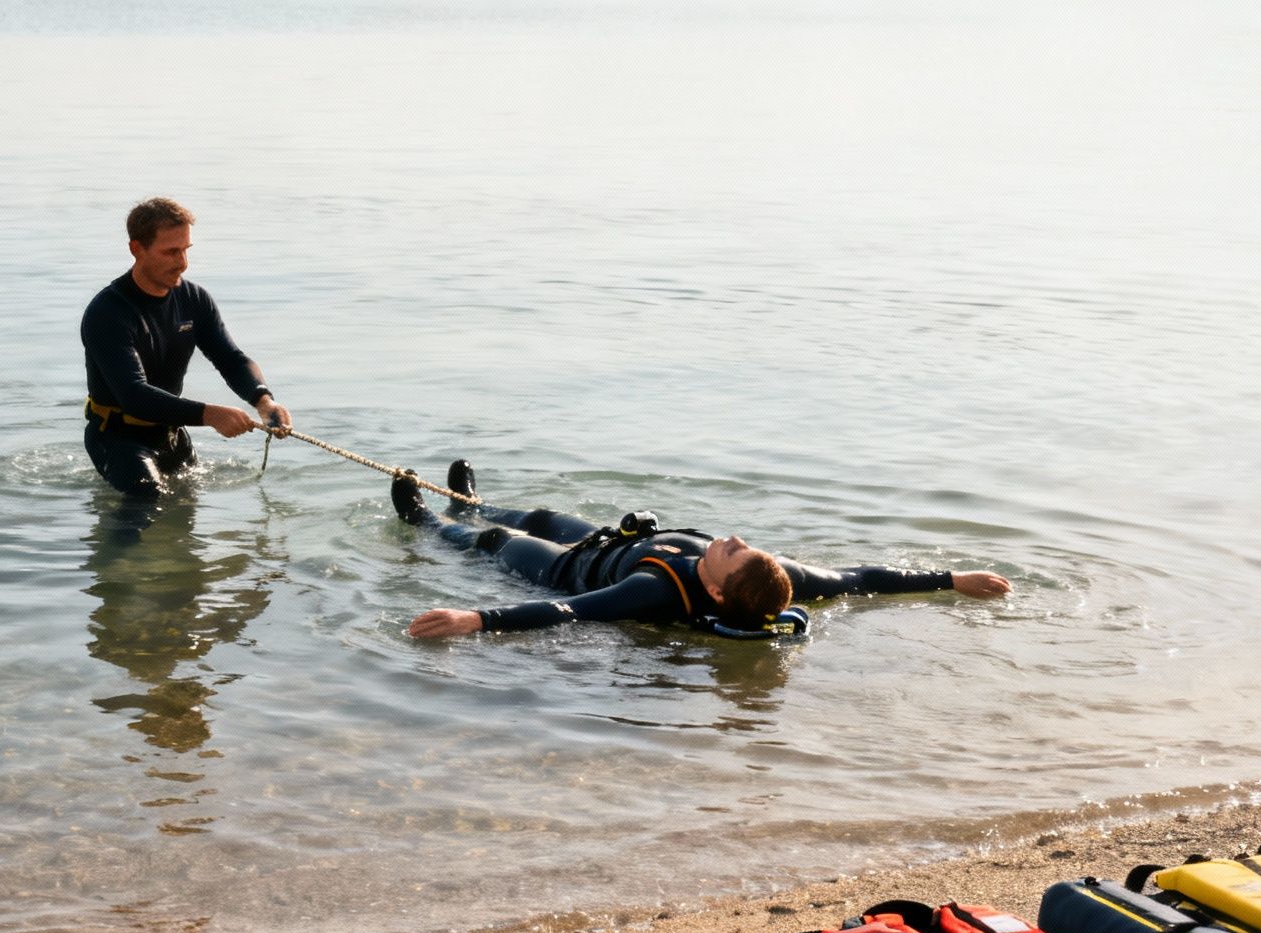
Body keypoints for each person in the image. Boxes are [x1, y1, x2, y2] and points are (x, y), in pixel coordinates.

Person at [393, 461, 1012, 639]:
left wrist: (475, 618)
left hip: (570, 569)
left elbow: (569, 615)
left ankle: (427, 517)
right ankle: (465, 500)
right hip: (618, 541)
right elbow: (859, 579)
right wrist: (950, 578)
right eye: (744, 546)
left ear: (715, 590)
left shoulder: (656, 591)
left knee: (500, 541)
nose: (736, 540)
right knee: (548, 513)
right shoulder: (780, 578)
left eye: (731, 554)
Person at [81, 197, 293, 498]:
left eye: (185, 250)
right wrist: (210, 414)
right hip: (118, 438)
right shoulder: (108, 312)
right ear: (136, 249)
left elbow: (230, 358)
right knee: (148, 499)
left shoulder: (193, 300)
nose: (182, 263)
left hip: (170, 434)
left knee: (186, 511)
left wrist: (263, 400)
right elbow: (133, 395)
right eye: (170, 252)